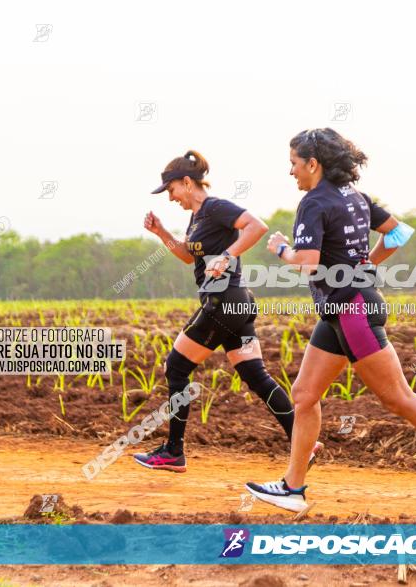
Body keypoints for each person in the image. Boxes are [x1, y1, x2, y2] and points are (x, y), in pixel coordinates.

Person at [245, 129, 416, 513]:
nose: (291, 172)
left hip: (352, 314)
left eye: (294, 164)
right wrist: (367, 263)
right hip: (340, 312)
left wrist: (282, 248)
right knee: (304, 395)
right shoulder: (356, 197)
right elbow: (398, 232)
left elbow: (307, 263)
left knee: (398, 397)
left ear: (313, 165)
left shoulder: (314, 203)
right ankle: (293, 488)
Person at [134, 149, 321, 472]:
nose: (170, 197)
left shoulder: (215, 207)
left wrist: (227, 256)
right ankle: (303, 441)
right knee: (256, 376)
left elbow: (256, 226)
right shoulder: (198, 218)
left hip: (223, 302)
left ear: (187, 182)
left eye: (172, 189)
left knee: (176, 368)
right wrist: (163, 233)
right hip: (236, 304)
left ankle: (173, 452)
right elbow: (188, 257)